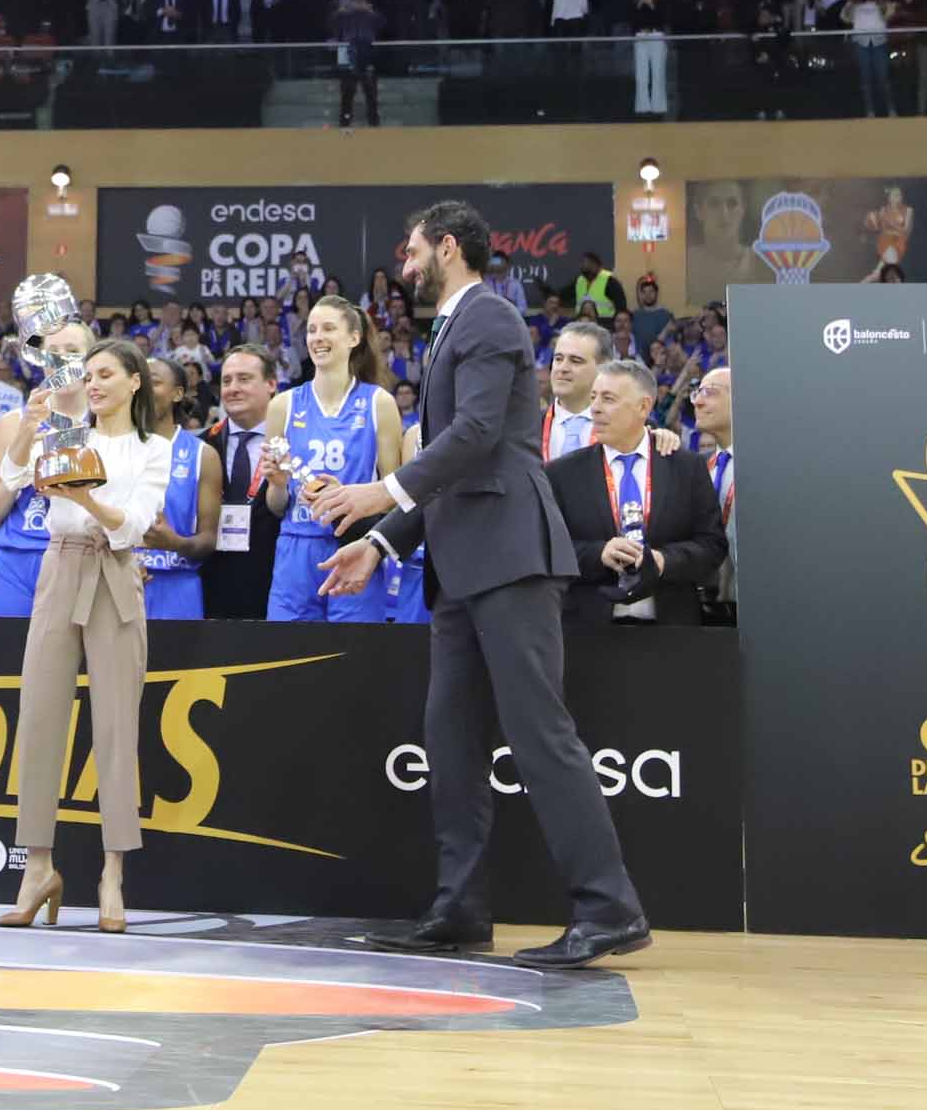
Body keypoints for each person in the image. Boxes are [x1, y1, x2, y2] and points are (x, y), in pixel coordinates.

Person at [316, 198, 649, 971]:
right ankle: (460, 909)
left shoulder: (491, 317)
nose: (403, 262)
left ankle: (609, 908)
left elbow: (472, 440)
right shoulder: (451, 328)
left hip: (509, 557)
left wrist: (382, 494)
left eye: (412, 248)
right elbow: (460, 465)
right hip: (460, 565)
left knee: (539, 733)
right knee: (452, 740)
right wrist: (379, 540)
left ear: (449, 247)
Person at [0, 336, 170, 934]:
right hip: (59, 564)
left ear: (134, 381)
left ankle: (111, 875)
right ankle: (36, 869)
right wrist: (29, 422)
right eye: (88, 374)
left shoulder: (155, 449)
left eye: (105, 374)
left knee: (116, 727)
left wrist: (85, 499)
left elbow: (136, 526)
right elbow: (13, 473)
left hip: (115, 572)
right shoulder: (68, 431)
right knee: (40, 717)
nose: (92, 383)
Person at [541, 359, 726, 631]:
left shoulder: (686, 468)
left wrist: (664, 561)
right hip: (589, 634)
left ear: (643, 407)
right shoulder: (562, 473)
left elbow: (712, 546)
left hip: (671, 633)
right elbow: (548, 548)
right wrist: (599, 553)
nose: (595, 408)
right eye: (594, 397)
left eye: (608, 399)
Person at [262, 294, 404, 623]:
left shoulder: (378, 403)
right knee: (286, 662)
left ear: (354, 338)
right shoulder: (282, 406)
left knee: (352, 662)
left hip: (354, 546)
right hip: (295, 549)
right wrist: (279, 485)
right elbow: (275, 504)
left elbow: (395, 499)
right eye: (312, 330)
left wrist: (351, 499)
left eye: (328, 328)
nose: (318, 337)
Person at [0, 322, 82, 619]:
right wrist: (22, 469)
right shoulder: (14, 422)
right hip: (15, 560)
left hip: (78, 557)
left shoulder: (106, 425)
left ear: (92, 360)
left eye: (73, 351)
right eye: (53, 352)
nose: (61, 359)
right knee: (3, 662)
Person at [199, 344, 284, 620]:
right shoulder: (199, 445)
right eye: (226, 381)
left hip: (276, 585)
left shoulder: (293, 443)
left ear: (272, 384)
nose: (233, 388)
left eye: (244, 379)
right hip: (212, 586)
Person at [135, 354, 219, 621]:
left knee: (178, 664)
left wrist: (175, 543)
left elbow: (208, 540)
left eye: (154, 382)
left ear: (177, 393)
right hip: (120, 583)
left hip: (178, 586)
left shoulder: (202, 455)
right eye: (139, 382)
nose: (144, 389)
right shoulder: (112, 447)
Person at [692, 366, 737, 624]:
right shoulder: (698, 466)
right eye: (697, 393)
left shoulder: (769, 468)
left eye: (709, 392)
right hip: (705, 609)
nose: (698, 401)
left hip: (759, 604)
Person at [539, 321, 607, 462]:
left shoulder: (628, 427)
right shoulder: (526, 427)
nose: (562, 368)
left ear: (604, 367)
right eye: (558, 359)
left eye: (576, 361)